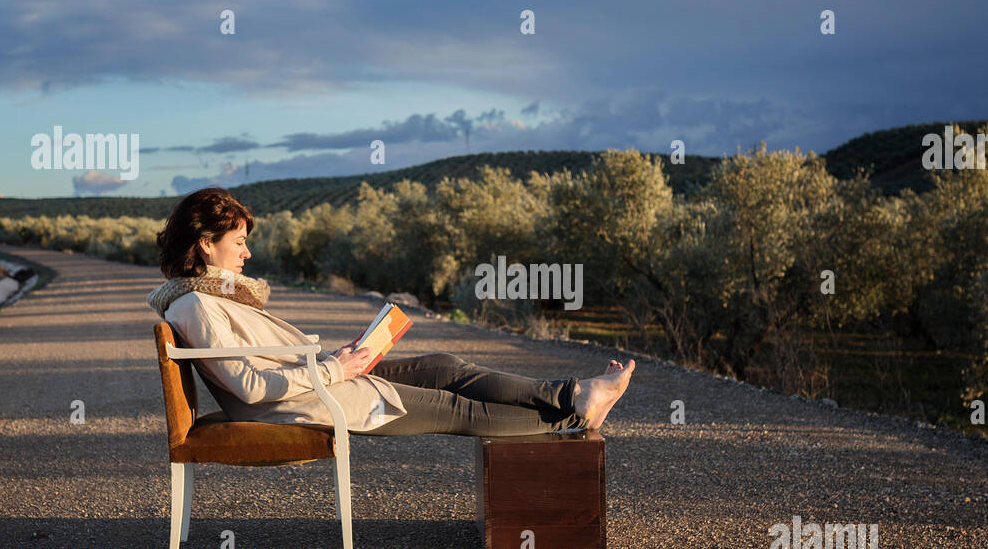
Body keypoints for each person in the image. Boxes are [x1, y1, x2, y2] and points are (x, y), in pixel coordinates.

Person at [146, 187, 634, 437]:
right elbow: (251, 387)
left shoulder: (209, 297)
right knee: (455, 410)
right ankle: (573, 418)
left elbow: (262, 362)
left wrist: (339, 360)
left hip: (316, 382)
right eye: (239, 242)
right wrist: (337, 368)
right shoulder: (196, 305)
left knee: (445, 366)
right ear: (206, 245)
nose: (247, 254)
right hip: (303, 405)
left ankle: (571, 393)